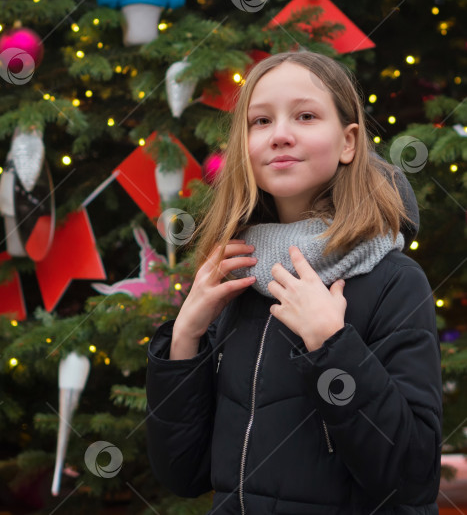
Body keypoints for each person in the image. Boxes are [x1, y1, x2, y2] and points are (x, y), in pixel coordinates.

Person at [146, 51, 442, 515]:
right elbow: (181, 473)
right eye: (260, 121)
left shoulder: (393, 280)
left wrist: (332, 345)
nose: (280, 134)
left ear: (348, 142)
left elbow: (413, 478)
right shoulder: (237, 276)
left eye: (305, 116)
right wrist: (185, 337)